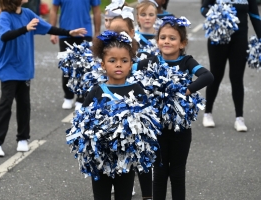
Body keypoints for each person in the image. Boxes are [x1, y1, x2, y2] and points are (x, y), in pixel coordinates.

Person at [0, 0, 87, 157]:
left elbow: (47, 28)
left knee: (24, 104)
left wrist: (69, 33)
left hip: (24, 68)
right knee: (6, 104)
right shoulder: (5, 16)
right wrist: (25, 28)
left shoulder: (27, 14)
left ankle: (23, 139)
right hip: (9, 68)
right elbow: (5, 36)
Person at [135, 16, 214, 200]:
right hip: (157, 129)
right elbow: (129, 70)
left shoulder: (186, 62)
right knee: (159, 172)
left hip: (181, 129)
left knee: (177, 173)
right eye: (163, 37)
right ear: (157, 41)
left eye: (172, 38)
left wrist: (188, 89)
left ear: (182, 43)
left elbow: (207, 76)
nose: (167, 41)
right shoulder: (152, 61)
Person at [83, 30, 147, 200]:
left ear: (131, 64)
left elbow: (148, 122)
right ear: (103, 64)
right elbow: (82, 121)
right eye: (112, 60)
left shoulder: (137, 90)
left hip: (126, 159)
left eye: (124, 60)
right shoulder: (96, 91)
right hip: (101, 160)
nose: (118, 64)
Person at [201, 0, 261, 131]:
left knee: (237, 77)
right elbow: (203, 8)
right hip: (218, 38)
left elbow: (255, 15)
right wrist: (216, 15)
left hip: (240, 40)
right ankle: (208, 113)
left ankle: (239, 118)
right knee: (216, 76)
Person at [49, 0, 101, 110]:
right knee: (67, 68)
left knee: (84, 68)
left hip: (85, 34)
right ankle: (68, 96)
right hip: (65, 33)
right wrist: (53, 32)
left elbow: (96, 10)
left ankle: (81, 98)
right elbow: (54, 10)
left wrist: (97, 32)